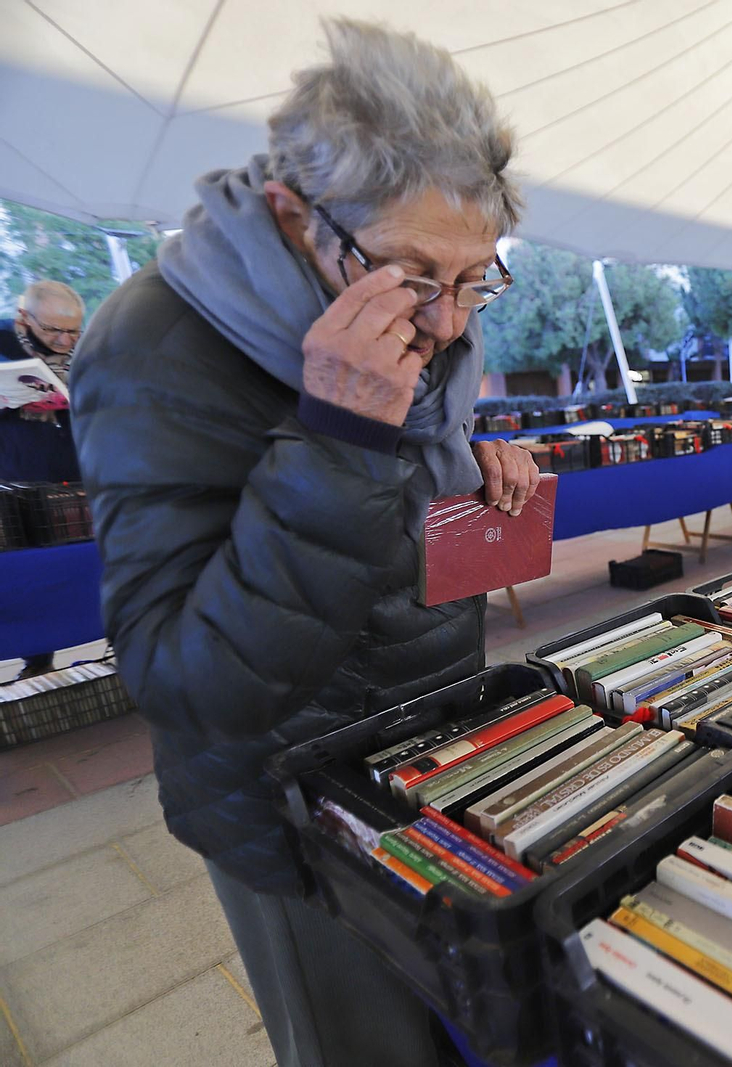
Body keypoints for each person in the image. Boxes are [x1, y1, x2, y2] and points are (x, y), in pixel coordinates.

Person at [70, 20, 538, 1067]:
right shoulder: (150, 344)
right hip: (290, 804)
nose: (450, 324)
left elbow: (396, 487)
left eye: (477, 278)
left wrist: (470, 466)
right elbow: (188, 686)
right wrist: (338, 436)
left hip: (425, 746)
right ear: (294, 214)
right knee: (360, 1044)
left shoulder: (410, 307)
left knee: (453, 1028)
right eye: (414, 273)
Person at [2, 280, 86, 679]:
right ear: (24, 318)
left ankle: (120, 639)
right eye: (52, 330)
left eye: (73, 331)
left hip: (78, 470)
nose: (64, 340)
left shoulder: (89, 350)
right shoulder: (3, 344)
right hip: (19, 476)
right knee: (30, 575)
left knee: (88, 564)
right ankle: (36, 660)